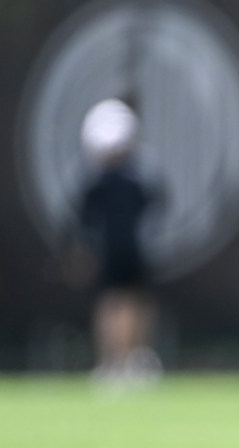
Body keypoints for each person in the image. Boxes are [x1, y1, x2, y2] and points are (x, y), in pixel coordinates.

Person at [74, 98, 164, 384]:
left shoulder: (103, 179)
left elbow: (83, 219)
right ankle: (121, 361)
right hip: (125, 249)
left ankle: (123, 361)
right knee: (123, 303)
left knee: (123, 302)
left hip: (118, 249)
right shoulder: (131, 177)